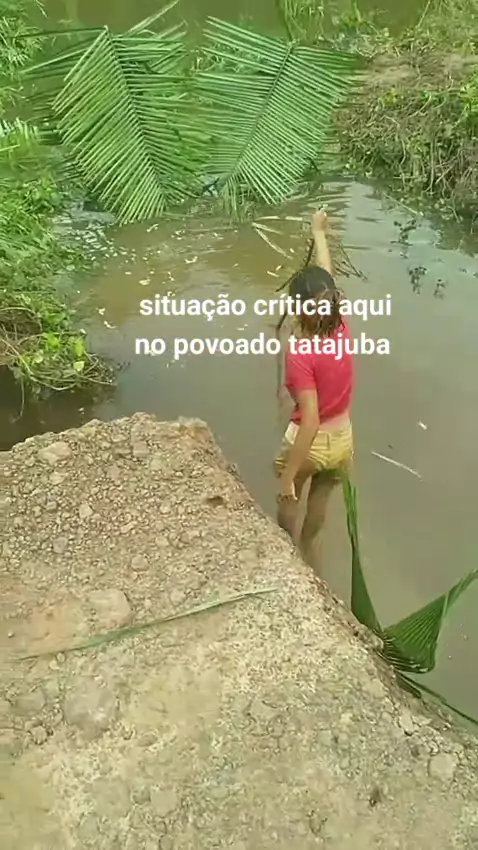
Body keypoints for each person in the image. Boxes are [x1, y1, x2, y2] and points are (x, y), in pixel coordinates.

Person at [274, 208, 355, 571]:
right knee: (319, 510)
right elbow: (327, 276)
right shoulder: (341, 327)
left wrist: (287, 478)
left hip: (313, 441)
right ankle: (313, 565)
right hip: (343, 440)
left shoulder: (301, 353)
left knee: (289, 496)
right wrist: (319, 232)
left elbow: (309, 420)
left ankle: (286, 555)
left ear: (297, 310)